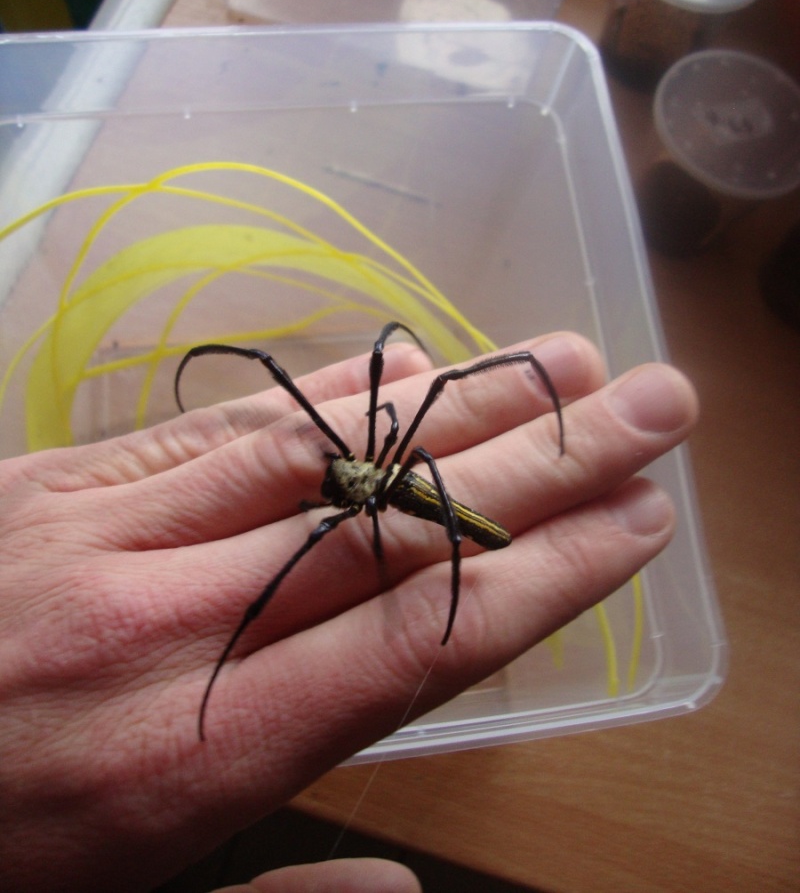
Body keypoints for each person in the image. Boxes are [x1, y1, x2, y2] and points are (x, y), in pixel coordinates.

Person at [0, 332, 698, 893]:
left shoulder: (367, 485)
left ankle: (458, 558)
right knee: (336, 411)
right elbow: (357, 456)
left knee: (397, 456)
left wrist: (447, 559)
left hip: (433, 503)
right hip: (400, 481)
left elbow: (404, 459)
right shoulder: (353, 472)